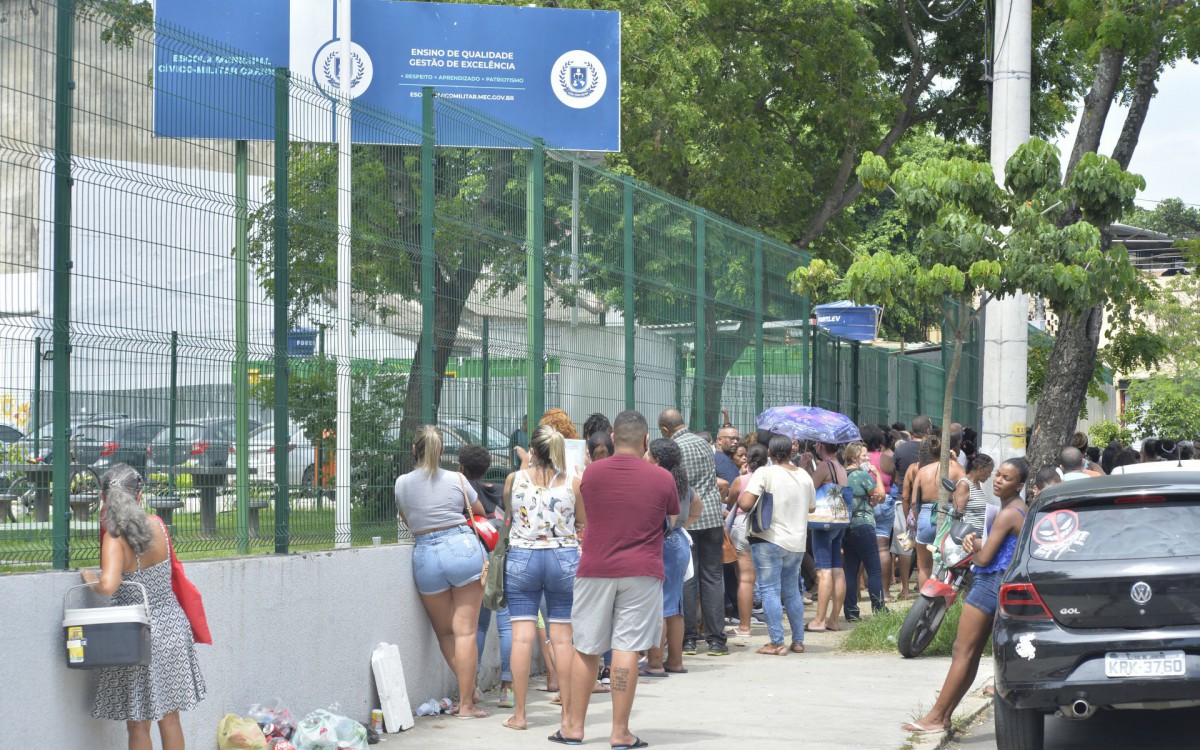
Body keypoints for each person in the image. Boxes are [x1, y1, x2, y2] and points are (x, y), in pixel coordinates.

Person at [554, 410, 679, 748]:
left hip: (595, 568)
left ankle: (573, 728)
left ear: (612, 436)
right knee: (626, 647)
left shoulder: (591, 474)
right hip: (643, 570)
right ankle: (620, 732)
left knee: (587, 648)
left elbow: (588, 515)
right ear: (645, 439)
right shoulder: (662, 478)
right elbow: (671, 518)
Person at [83, 463, 206, 750]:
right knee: (170, 717)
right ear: (139, 495)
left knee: (138, 723)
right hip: (172, 627)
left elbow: (109, 586)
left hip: (135, 635)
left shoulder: (114, 539)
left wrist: (92, 580)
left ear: (104, 498)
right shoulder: (158, 526)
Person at [902, 458, 1030, 734]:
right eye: (997, 475)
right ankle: (943, 716)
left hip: (990, 582)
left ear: (1020, 484)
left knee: (963, 651)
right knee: (969, 654)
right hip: (998, 582)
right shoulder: (1016, 509)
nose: (998, 480)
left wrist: (973, 545)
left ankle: (937, 717)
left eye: (1006, 478)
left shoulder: (1010, 512)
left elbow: (983, 559)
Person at [394, 425, 489, 719]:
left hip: (425, 556)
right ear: (443, 450)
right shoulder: (457, 479)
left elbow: (408, 520)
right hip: (462, 549)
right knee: (466, 632)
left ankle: (468, 690)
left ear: (414, 450)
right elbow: (480, 511)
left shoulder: (402, 483)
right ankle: (468, 704)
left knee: (446, 633)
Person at [500, 425, 583, 731]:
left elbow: (509, 512)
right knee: (563, 639)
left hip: (523, 558)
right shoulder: (573, 481)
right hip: (564, 558)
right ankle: (567, 716)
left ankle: (520, 715)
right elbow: (583, 520)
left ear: (532, 451)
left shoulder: (514, 480)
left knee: (522, 637)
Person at [658, 408, 729, 657]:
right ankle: (717, 639)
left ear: (666, 430)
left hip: (688, 519)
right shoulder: (703, 443)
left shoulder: (675, 448)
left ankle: (688, 638)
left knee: (688, 580)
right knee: (713, 578)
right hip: (712, 516)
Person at [737, 435, 814, 655]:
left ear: (769, 453)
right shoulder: (804, 476)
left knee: (770, 589)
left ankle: (776, 642)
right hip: (797, 542)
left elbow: (745, 503)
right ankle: (798, 641)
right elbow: (810, 508)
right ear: (791, 452)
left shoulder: (764, 472)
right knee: (792, 592)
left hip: (768, 539)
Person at [460, 445, 513, 709]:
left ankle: (473, 687)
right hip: (504, 557)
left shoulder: (464, 491)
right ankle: (507, 689)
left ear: (462, 468)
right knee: (506, 625)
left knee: (479, 626)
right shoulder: (503, 488)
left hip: (479, 560)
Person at [643, 438, 701, 676]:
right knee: (675, 606)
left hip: (662, 543)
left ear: (656, 459)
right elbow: (697, 507)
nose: (644, 456)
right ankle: (675, 661)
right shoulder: (682, 483)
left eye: (648, 453)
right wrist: (682, 525)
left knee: (660, 605)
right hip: (679, 544)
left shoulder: (655, 482)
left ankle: (655, 662)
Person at [806, 441, 849, 632]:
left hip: (824, 521)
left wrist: (805, 467)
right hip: (839, 520)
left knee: (823, 570)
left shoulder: (825, 465)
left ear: (822, 445)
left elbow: (809, 488)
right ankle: (833, 619)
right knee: (837, 568)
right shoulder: (840, 467)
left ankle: (819, 620)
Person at [841, 442, 887, 621]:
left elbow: (870, 499)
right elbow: (881, 496)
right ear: (854, 457)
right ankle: (879, 610)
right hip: (864, 525)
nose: (868, 459)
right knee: (874, 570)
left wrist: (871, 500)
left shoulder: (842, 474)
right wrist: (877, 475)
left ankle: (851, 611)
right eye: (864, 456)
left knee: (851, 570)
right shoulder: (862, 474)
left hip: (847, 527)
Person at [726, 443, 768, 636]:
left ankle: (744, 626)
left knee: (745, 579)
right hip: (767, 527)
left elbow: (731, 502)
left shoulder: (741, 480)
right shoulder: (772, 479)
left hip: (743, 525)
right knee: (769, 579)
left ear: (748, 460)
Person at [952, 453, 994, 535]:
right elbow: (956, 515)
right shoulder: (964, 485)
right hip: (968, 536)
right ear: (980, 469)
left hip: (979, 535)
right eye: (989, 472)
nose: (989, 476)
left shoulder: (977, 484)